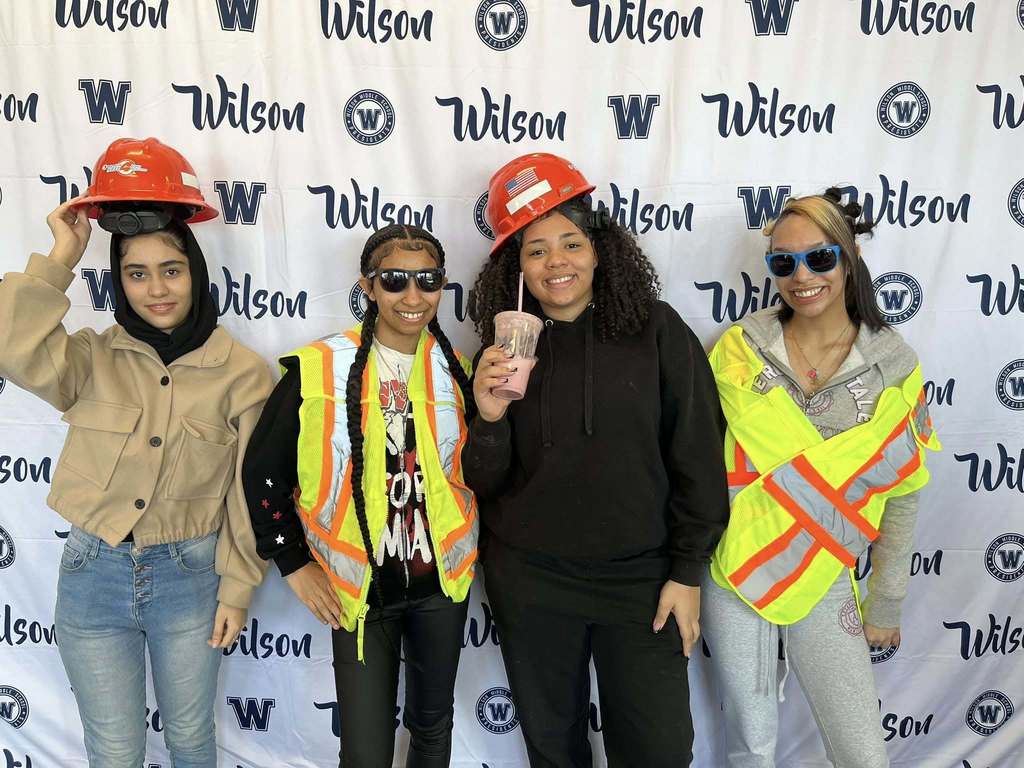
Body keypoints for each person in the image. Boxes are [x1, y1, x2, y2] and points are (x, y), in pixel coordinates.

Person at [0, 137, 273, 767]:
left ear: (196, 272)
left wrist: (236, 589)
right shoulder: (91, 358)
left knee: (191, 741)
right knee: (114, 750)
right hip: (91, 577)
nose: (156, 289)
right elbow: (14, 350)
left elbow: (246, 496)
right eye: (136, 272)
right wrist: (61, 258)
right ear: (118, 279)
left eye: (171, 270)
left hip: (190, 580)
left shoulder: (243, 374)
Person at [463, 152, 730, 767]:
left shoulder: (656, 331)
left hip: (640, 581)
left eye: (571, 242)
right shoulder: (501, 349)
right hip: (531, 581)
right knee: (554, 751)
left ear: (599, 249)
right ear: (515, 265)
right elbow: (483, 480)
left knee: (659, 751)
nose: (557, 262)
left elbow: (697, 454)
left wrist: (687, 571)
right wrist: (490, 414)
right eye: (535, 249)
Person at [701, 188, 941, 768]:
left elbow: (903, 487)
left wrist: (885, 600)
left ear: (849, 254)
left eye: (819, 257)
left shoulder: (893, 362)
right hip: (735, 567)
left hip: (826, 568)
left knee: (861, 750)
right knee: (750, 745)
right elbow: (698, 464)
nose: (801, 275)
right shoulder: (739, 349)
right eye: (782, 262)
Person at [243, 224, 478, 767]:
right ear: (369, 286)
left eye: (429, 280)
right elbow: (263, 471)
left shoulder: (460, 372)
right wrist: (292, 561)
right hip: (359, 593)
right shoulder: (319, 367)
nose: (413, 297)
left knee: (432, 729)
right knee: (366, 751)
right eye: (395, 281)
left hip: (442, 585)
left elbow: (480, 471)